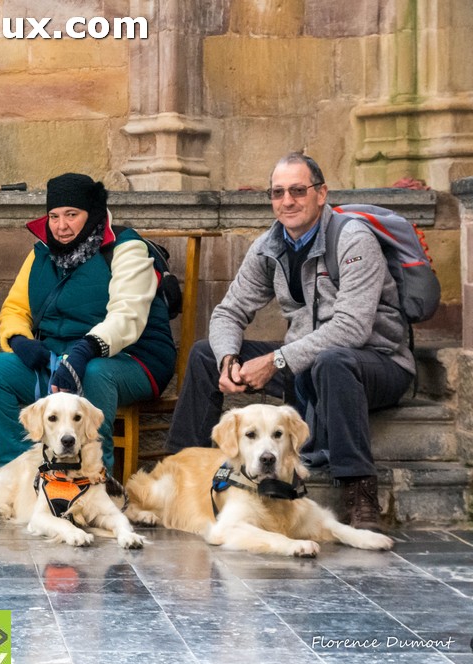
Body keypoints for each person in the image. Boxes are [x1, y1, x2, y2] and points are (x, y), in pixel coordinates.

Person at [165, 152, 414, 532]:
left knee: (334, 361)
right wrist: (228, 358)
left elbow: (352, 328)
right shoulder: (270, 245)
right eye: (278, 192)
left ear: (321, 193)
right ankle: (177, 472)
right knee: (204, 353)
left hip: (377, 364)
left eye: (298, 190)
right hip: (304, 364)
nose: (287, 201)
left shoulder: (353, 239)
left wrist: (276, 361)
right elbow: (228, 312)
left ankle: (359, 492)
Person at [0, 173, 176, 472]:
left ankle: (96, 477)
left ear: (91, 214)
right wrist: (19, 341)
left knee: (94, 372)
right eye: (53, 216)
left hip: (130, 360)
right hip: (58, 360)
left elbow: (126, 314)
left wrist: (85, 351)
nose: (61, 226)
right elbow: (15, 308)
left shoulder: (126, 247)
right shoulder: (40, 252)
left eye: (71, 215)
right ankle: (17, 472)